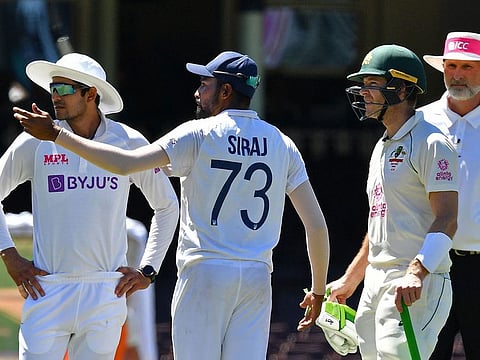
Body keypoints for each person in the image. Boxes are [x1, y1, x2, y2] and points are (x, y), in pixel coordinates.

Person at [14, 50, 331, 360]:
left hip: (205, 271)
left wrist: (57, 135)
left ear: (226, 91)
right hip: (257, 276)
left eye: (204, 85)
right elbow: (316, 225)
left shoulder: (198, 133)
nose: (197, 92)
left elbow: (126, 164)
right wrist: (318, 291)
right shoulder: (282, 143)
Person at [0, 53, 179, 360]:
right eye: (53, 88)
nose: (55, 96)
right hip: (47, 288)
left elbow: (167, 206)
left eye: (65, 89)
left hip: (105, 291)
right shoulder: (35, 140)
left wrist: (148, 270)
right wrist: (9, 255)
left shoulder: (129, 142)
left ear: (91, 94)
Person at [326, 44, 459, 359]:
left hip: (415, 281)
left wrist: (417, 270)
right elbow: (380, 221)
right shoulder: (381, 146)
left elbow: (447, 218)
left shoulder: (432, 142)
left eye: (373, 84)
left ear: (401, 88)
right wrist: (351, 279)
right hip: (376, 278)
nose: (364, 92)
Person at [421, 31, 480, 360]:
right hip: (430, 263)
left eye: (468, 67)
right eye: (452, 65)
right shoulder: (421, 122)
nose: (457, 74)